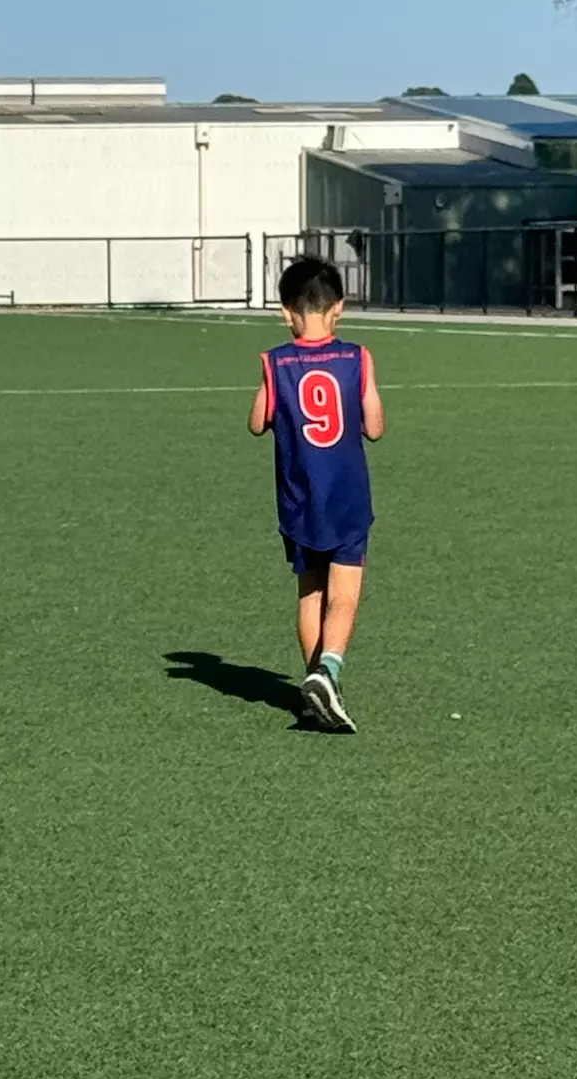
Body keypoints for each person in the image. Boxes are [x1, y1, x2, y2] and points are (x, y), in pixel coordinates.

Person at [249, 257, 385, 731]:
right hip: (347, 498)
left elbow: (256, 423)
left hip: (298, 499)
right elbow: (375, 427)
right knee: (344, 597)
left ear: (286, 312)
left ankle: (316, 689)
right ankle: (328, 672)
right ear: (339, 309)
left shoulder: (275, 362)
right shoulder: (357, 358)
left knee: (311, 593)